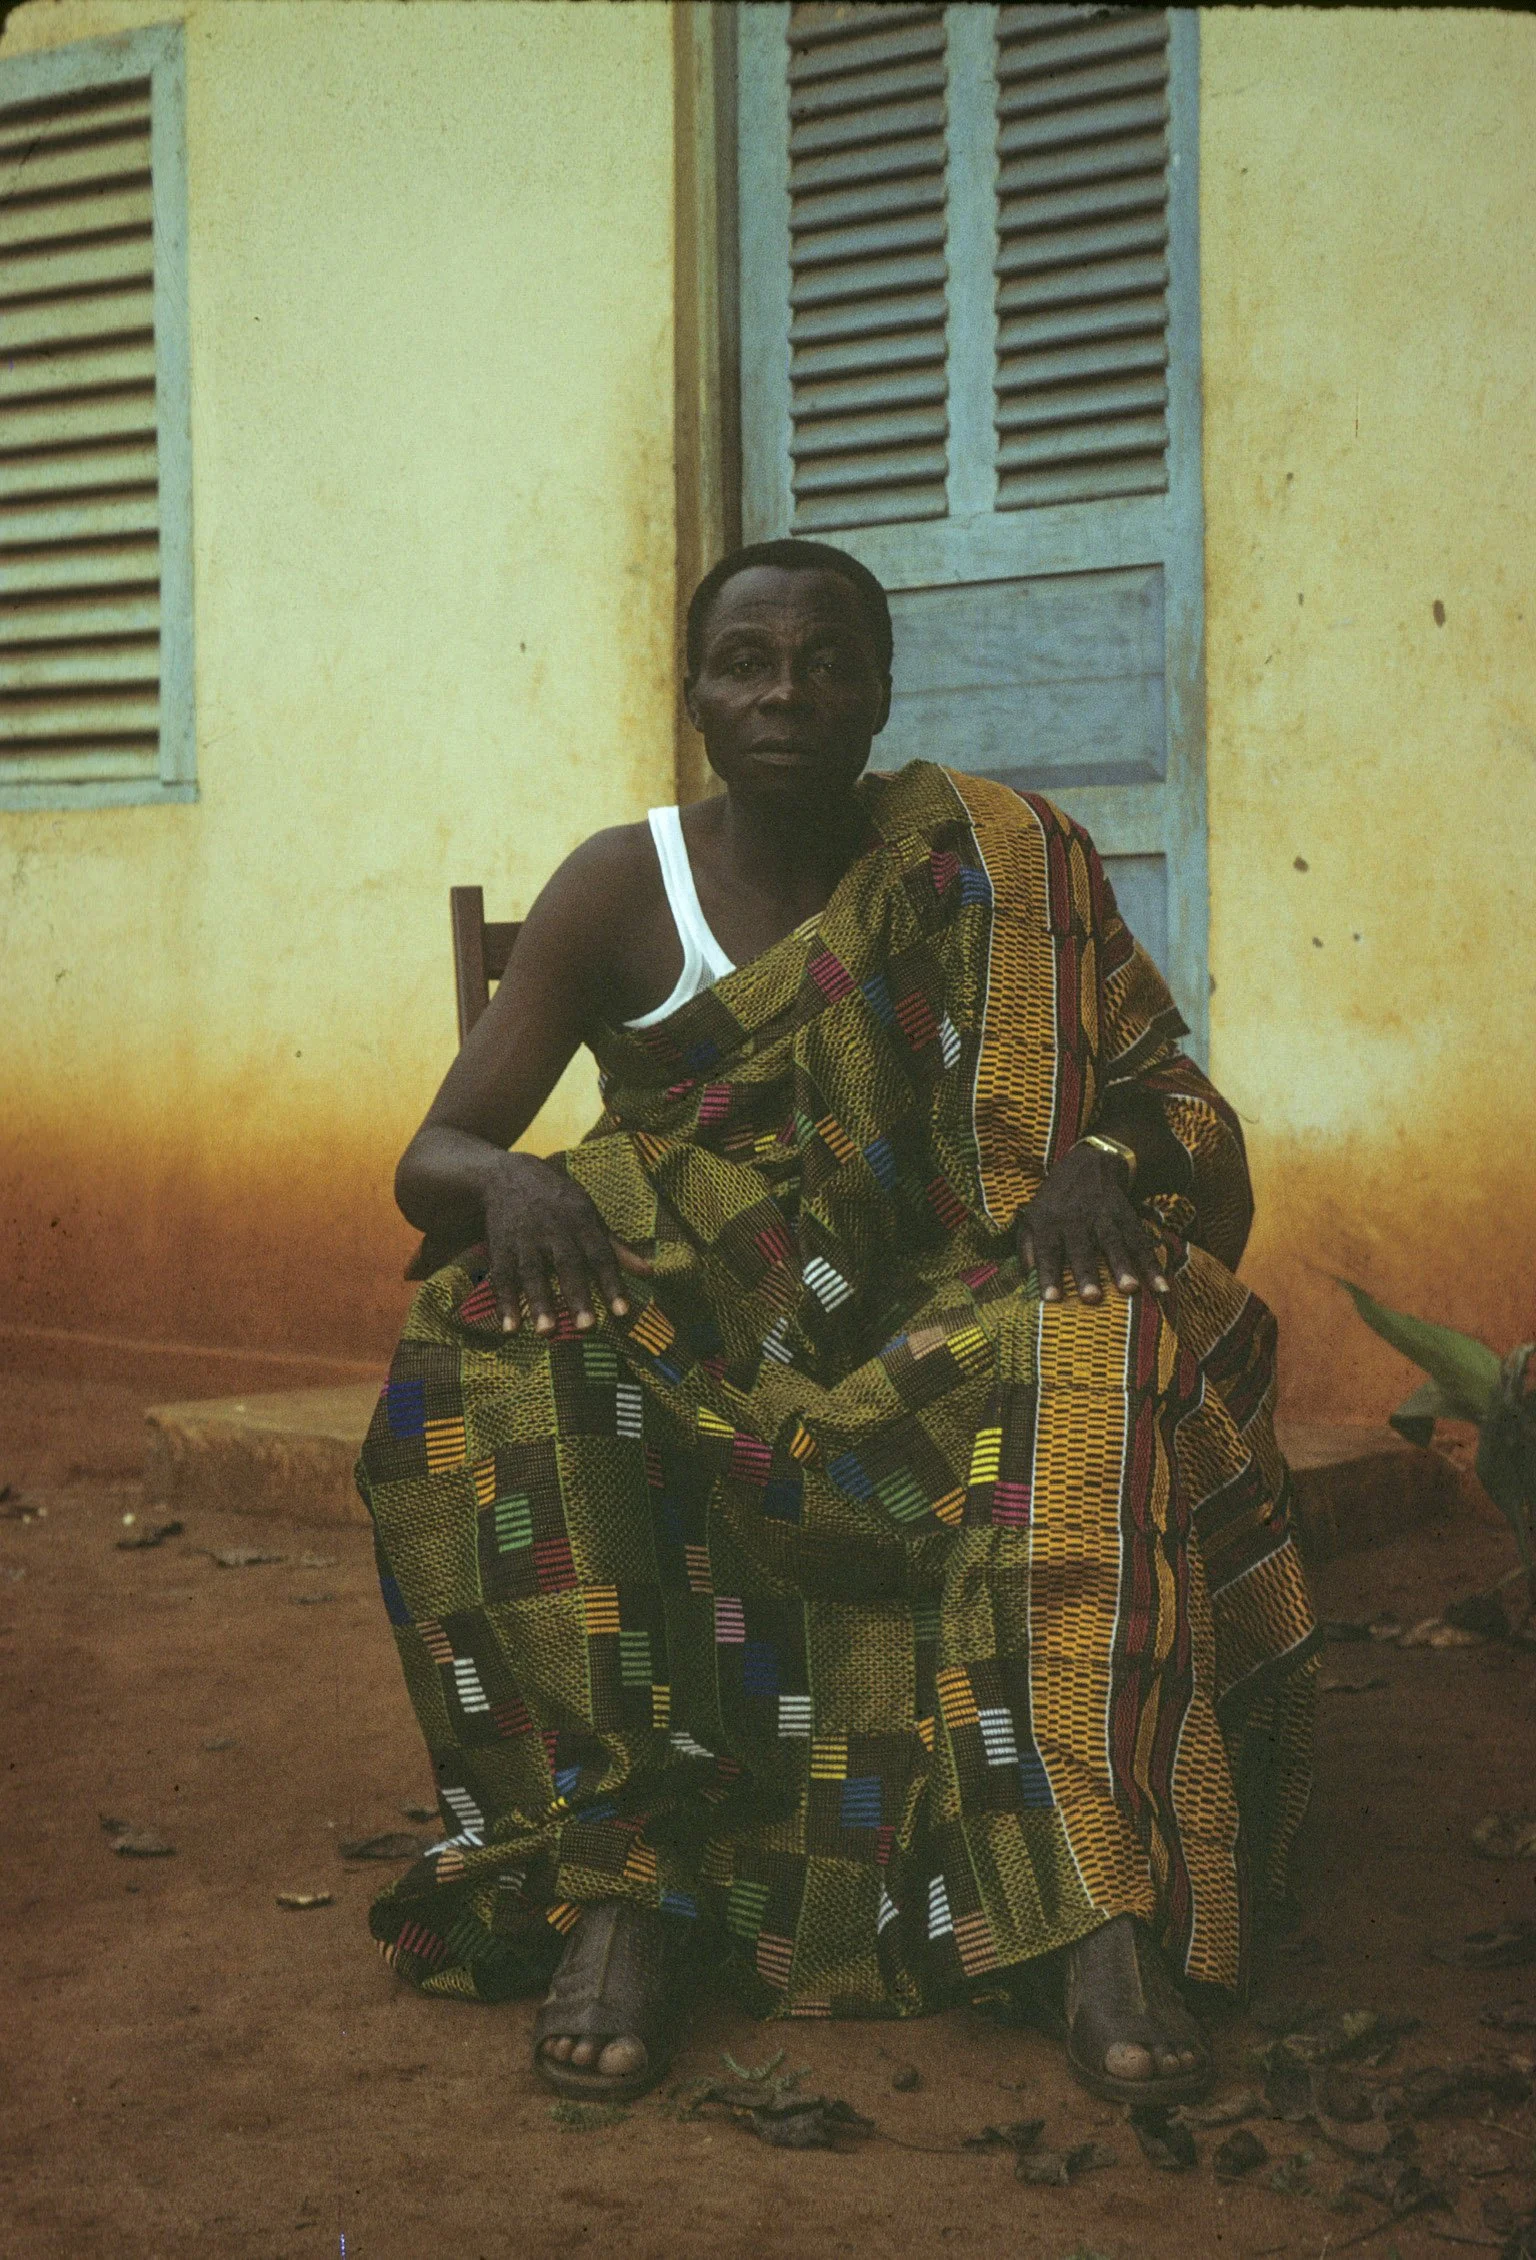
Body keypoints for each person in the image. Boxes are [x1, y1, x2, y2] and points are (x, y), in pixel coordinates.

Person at [356, 538, 1317, 2108]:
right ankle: (627, 1885)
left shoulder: (990, 868)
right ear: (696, 695)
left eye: (822, 664)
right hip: (713, 1328)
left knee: (1108, 1328)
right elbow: (431, 1160)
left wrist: (1101, 1158)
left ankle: (1096, 1905)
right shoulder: (621, 880)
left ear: (880, 695)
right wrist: (515, 1184)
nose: (783, 692)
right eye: (746, 663)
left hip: (940, 1312)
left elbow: (1167, 1097)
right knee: (500, 1328)